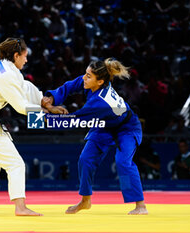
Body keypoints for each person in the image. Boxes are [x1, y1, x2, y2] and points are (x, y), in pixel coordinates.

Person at [0, 37, 65, 216]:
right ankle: (20, 207)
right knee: (15, 164)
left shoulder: (5, 68)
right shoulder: (6, 75)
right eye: (24, 56)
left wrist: (44, 102)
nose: (26, 60)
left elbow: (24, 87)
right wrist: (45, 116)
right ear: (16, 55)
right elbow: (20, 107)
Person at [42, 58, 148, 215]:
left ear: (100, 81)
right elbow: (69, 86)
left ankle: (140, 204)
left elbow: (74, 121)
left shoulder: (100, 102)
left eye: (88, 76)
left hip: (126, 127)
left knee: (123, 162)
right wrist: (51, 99)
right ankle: (85, 200)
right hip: (104, 124)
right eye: (85, 74)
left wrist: (44, 118)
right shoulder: (90, 82)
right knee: (85, 159)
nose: (84, 78)